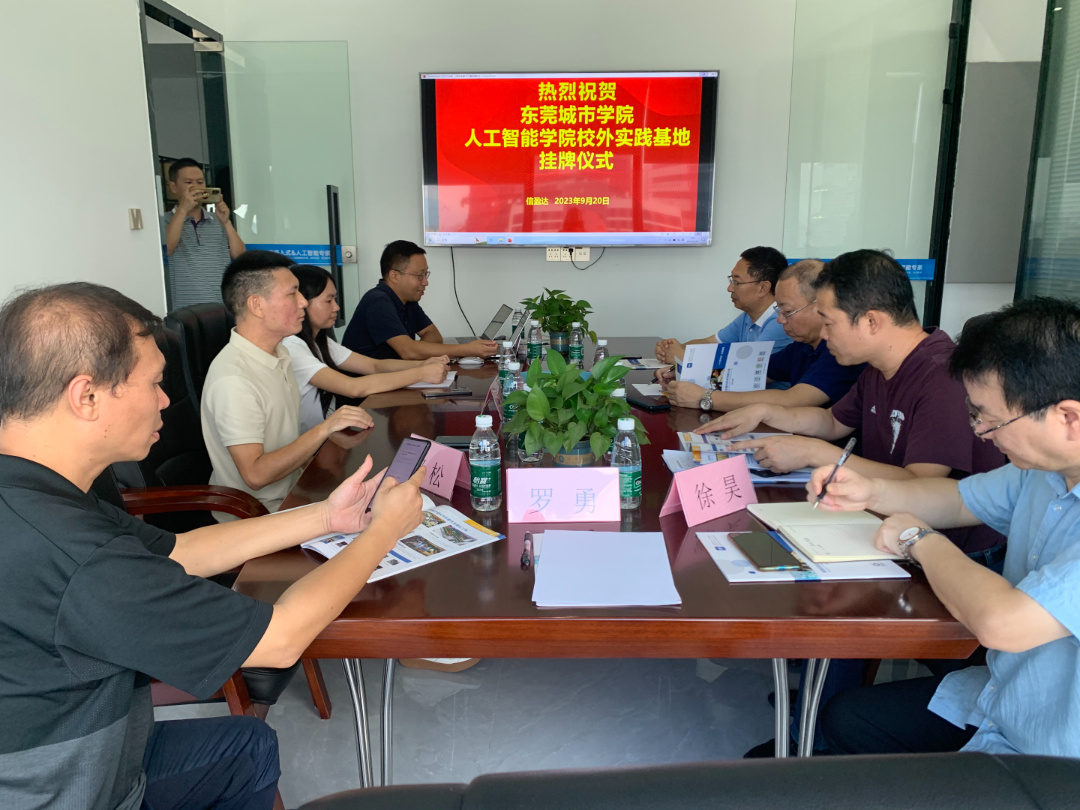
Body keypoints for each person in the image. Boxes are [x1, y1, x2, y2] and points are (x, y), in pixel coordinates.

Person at [0, 281, 425, 810]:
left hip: (105, 748)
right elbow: (280, 639)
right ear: (86, 396)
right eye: (155, 383)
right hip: (73, 791)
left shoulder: (38, 488)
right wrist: (384, 530)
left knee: (246, 746)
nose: (166, 400)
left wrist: (325, 517)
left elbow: (181, 551)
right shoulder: (74, 554)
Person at [699, 249, 1006, 758]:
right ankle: (812, 703)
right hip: (891, 526)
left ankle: (814, 741)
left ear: (872, 321)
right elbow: (832, 422)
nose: (823, 335)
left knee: (839, 593)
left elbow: (921, 483)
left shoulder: (941, 375)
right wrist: (764, 413)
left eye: (829, 321)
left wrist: (820, 455)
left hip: (955, 549)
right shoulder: (877, 366)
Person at [813, 297, 1080, 759]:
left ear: (1068, 418)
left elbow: (1004, 623)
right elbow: (959, 499)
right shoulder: (1044, 470)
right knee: (847, 719)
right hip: (1005, 700)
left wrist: (919, 539)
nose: (980, 432)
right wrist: (870, 492)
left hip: (1053, 752)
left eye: (990, 419)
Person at [202, 250, 375, 516]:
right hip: (258, 513)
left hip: (295, 491)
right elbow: (255, 475)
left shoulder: (280, 353)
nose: (303, 302)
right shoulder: (233, 379)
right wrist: (326, 428)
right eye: (292, 293)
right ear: (257, 305)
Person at [663, 259, 864, 411]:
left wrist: (706, 397)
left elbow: (793, 399)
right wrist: (691, 374)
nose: (780, 320)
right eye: (779, 311)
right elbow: (746, 371)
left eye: (787, 311)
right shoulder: (801, 346)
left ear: (820, 306)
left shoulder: (839, 350)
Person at [284, 265, 451, 432]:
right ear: (302, 303)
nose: (336, 307)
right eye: (329, 301)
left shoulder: (320, 342)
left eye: (335, 299)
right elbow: (353, 388)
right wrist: (420, 373)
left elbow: (374, 365)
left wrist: (423, 364)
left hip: (328, 434)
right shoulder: (292, 347)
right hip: (311, 441)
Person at [341, 240, 498, 360]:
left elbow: (434, 336)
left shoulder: (408, 301)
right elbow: (408, 352)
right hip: (365, 387)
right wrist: (467, 350)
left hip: (391, 378)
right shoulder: (378, 302)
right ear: (394, 276)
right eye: (419, 275)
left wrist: (416, 350)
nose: (425, 282)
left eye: (426, 274)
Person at [653, 246, 792, 365]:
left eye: (737, 282)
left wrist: (682, 357)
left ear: (763, 287)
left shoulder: (779, 323)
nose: (730, 288)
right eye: (731, 280)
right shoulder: (748, 317)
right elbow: (710, 343)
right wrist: (672, 348)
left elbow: (746, 370)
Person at [160, 158, 246, 309]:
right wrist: (183, 209)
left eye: (200, 182)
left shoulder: (217, 219)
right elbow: (167, 248)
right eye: (188, 182)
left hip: (222, 307)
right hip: (185, 310)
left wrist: (226, 222)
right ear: (173, 187)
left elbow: (240, 256)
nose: (196, 188)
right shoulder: (164, 221)